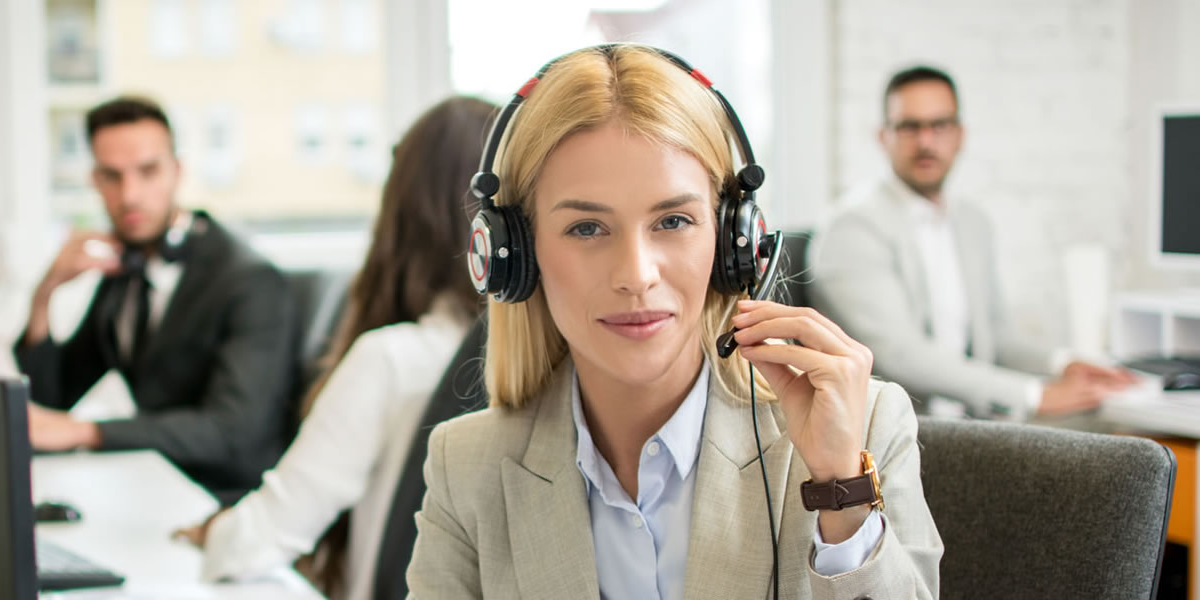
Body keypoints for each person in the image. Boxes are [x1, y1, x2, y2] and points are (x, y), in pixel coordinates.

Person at [406, 45, 942, 599]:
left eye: (674, 220)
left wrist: (840, 494)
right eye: (587, 228)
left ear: (735, 239)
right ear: (514, 254)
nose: (636, 276)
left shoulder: (864, 431)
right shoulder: (467, 466)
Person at [173, 96, 494, 600]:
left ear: (401, 212)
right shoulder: (539, 363)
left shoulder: (391, 359)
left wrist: (214, 532)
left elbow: (260, 540)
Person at [808, 66, 1136, 421]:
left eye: (940, 125)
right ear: (883, 136)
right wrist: (1031, 394)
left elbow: (994, 339)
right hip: (898, 434)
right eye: (909, 127)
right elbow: (899, 354)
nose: (926, 142)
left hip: (975, 424)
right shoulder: (851, 228)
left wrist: (1062, 364)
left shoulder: (971, 223)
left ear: (960, 135)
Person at [14, 96, 298, 493]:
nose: (129, 195)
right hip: (155, 486)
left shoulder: (249, 280)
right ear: (95, 181)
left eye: (147, 172)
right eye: (112, 176)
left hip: (223, 501)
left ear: (176, 172)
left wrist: (87, 432)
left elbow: (231, 432)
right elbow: (53, 401)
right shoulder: (123, 273)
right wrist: (44, 293)